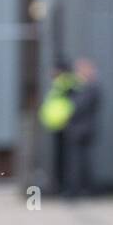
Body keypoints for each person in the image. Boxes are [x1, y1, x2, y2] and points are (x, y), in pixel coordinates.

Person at [38, 57, 79, 195]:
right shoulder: (61, 83)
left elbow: (73, 105)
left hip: (65, 125)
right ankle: (61, 187)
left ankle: (65, 188)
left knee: (65, 160)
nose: (51, 71)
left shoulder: (67, 83)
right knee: (60, 159)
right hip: (58, 126)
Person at [63, 58, 101, 198]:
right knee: (81, 161)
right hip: (82, 129)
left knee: (77, 161)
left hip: (81, 130)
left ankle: (77, 190)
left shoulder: (90, 87)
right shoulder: (85, 87)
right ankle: (87, 189)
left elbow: (78, 107)